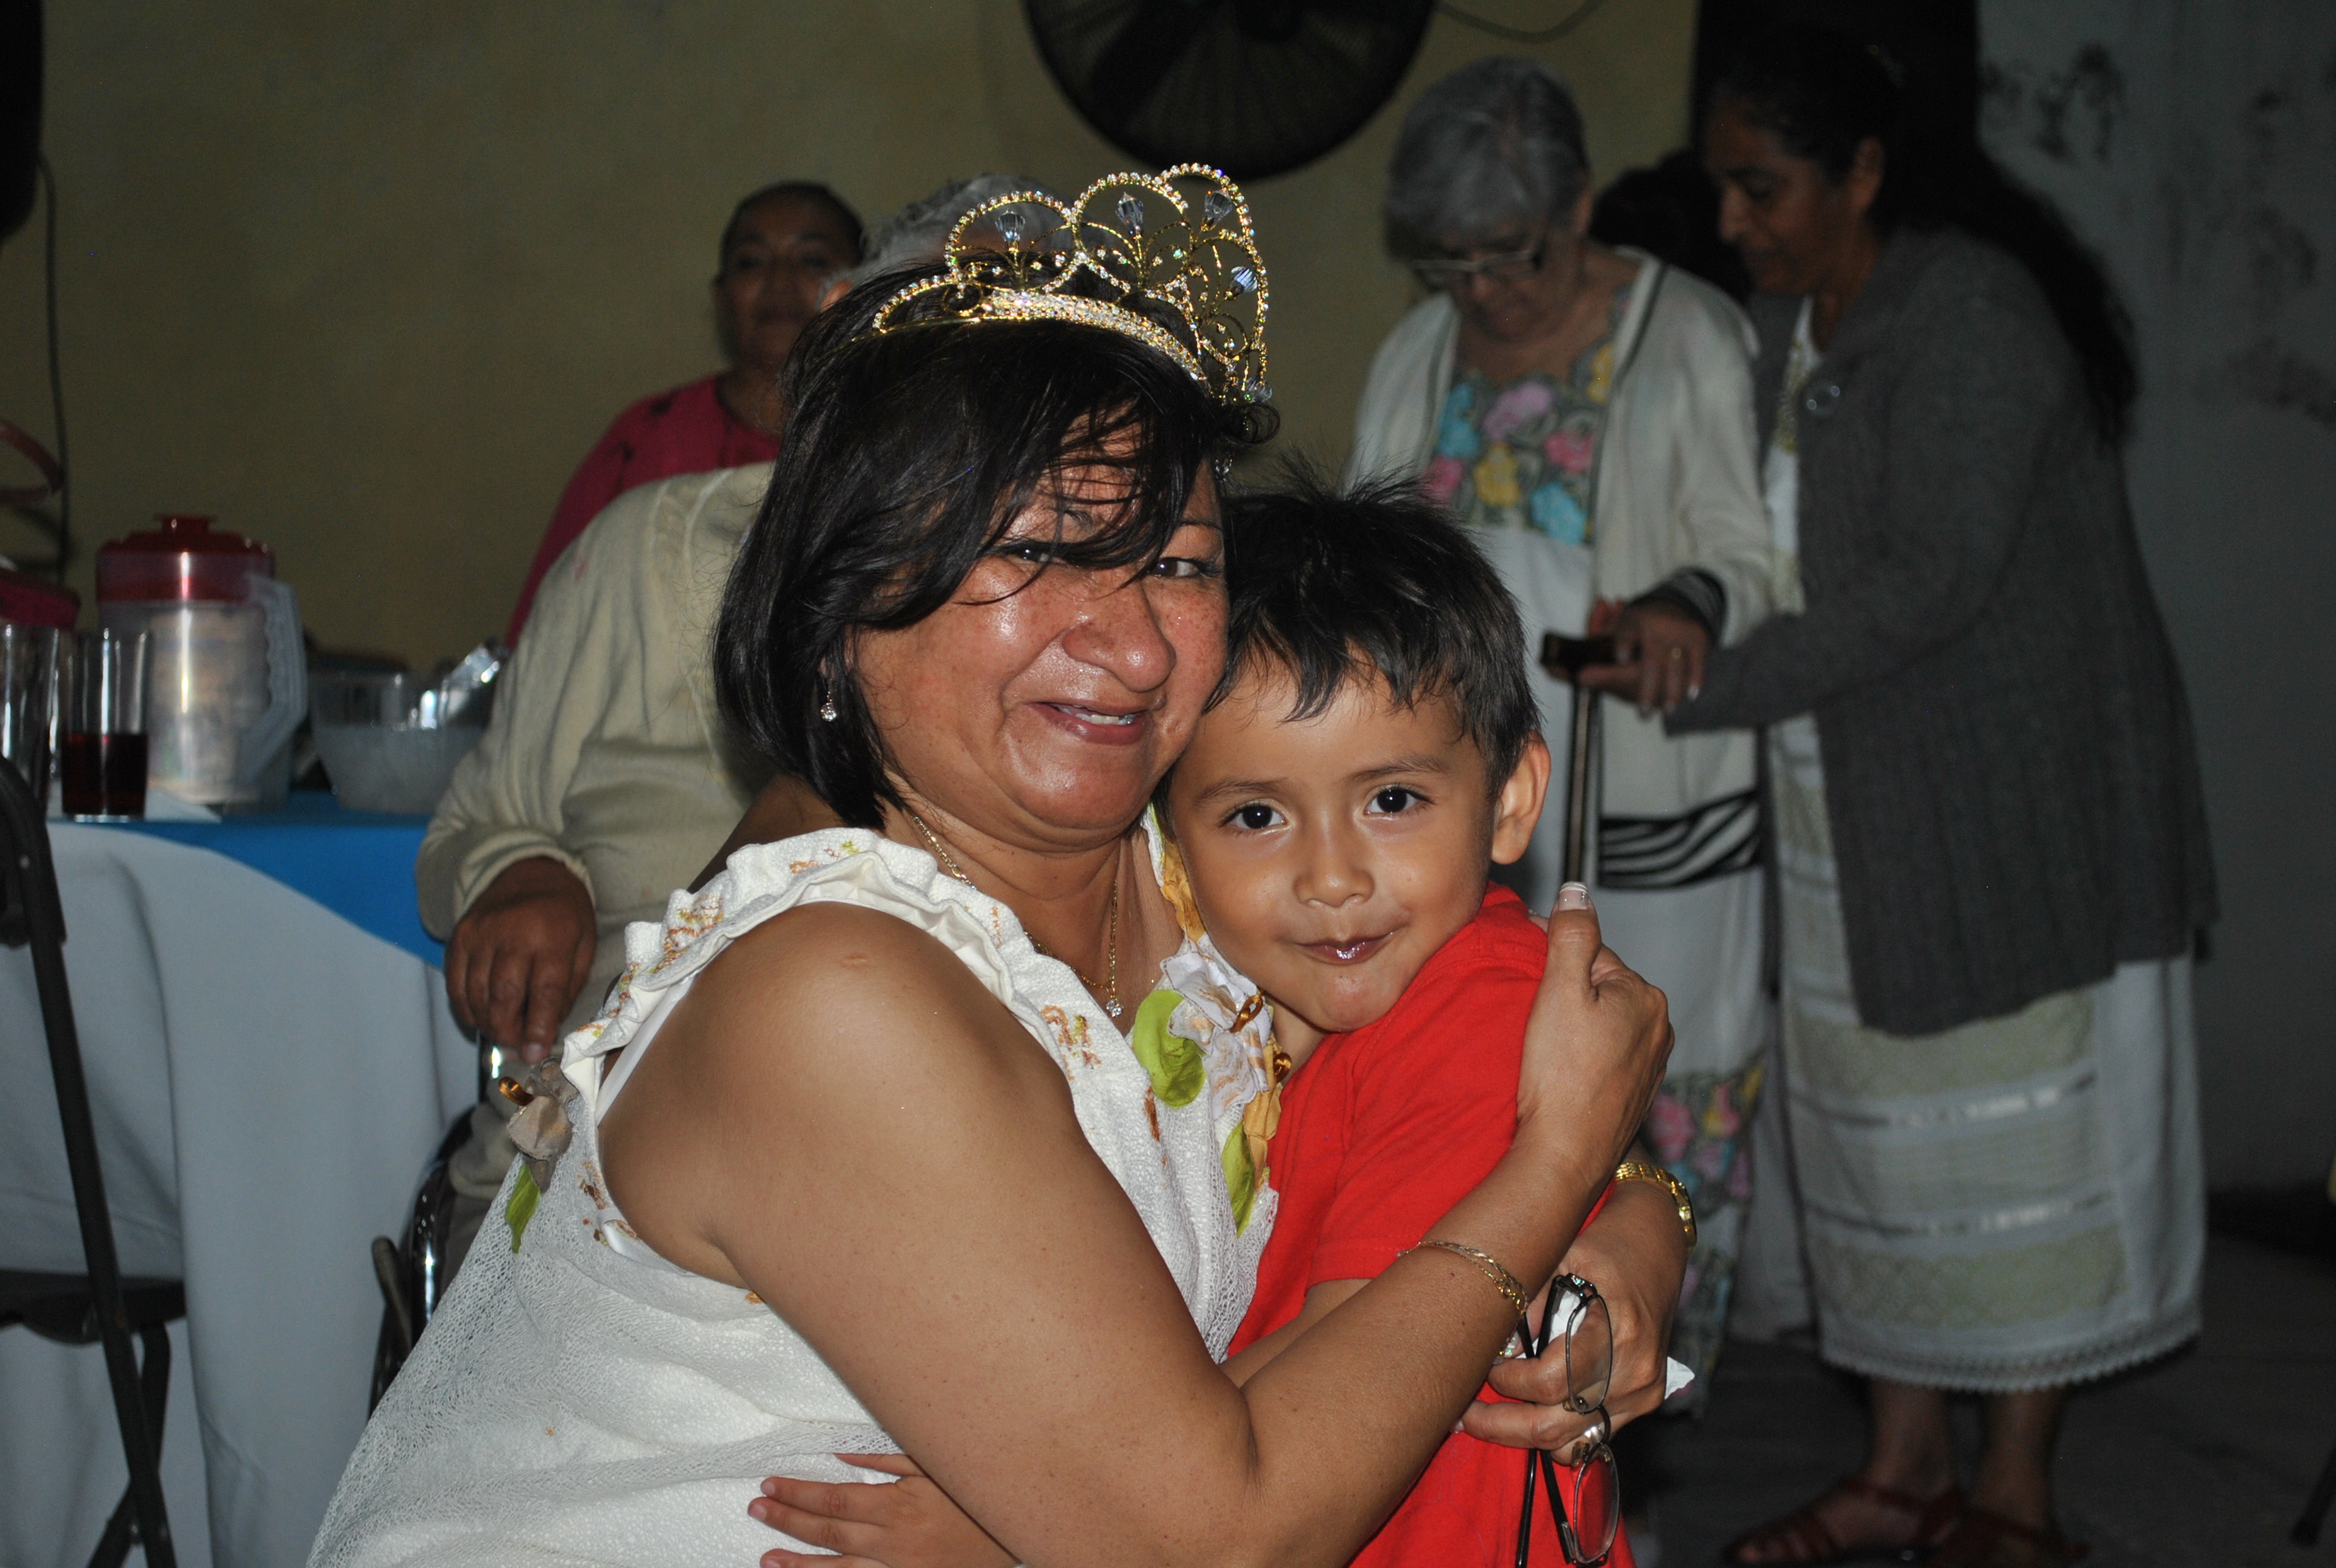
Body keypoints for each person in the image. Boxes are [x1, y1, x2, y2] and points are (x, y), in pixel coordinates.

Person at [312, 169, 1682, 1568]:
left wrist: (1639, 1222)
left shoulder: (1207, 859)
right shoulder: (833, 993)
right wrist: (1557, 1164)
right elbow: (1219, 1538)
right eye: (1034, 552)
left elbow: (1456, 1058)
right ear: (843, 599)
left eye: (1180, 565)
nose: (1132, 644)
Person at [753, 476, 1699, 1567]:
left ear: (1512, 799)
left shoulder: (1476, 1002)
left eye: (1393, 801)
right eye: (1256, 815)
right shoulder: (1256, 986)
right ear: (1169, 834)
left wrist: (1033, 1522)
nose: (1333, 878)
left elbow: (1346, 1342)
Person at [1666, 26, 2216, 1568]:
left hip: (2009, 808)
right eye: (1723, 187)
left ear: (1862, 172)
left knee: (2022, 1155)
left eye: (1761, 187)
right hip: (1851, 814)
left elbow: (1932, 580)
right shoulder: (1786, 324)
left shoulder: (1971, 313)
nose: (1732, 221)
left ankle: (2014, 1490)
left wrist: (1705, 682)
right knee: (1881, 1151)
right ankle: (1903, 1467)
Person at [415, 176, 1053, 1273]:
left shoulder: (1123, 617)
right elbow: (481, 817)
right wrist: (519, 869)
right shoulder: (649, 549)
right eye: (950, 337)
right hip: (628, 1151)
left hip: (982, 1175)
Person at [1347, 55, 1774, 1399]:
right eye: (1451, 262)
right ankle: (1473, 1379)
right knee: (1479, 1084)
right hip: (1462, 808)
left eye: (1511, 253)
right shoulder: (1417, 354)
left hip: (1653, 798)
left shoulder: (1686, 331)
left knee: (1665, 1097)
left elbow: (1750, 551)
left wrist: (1681, 603)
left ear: (1580, 206)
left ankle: (1638, 1387)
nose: (1481, 290)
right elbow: (1370, 552)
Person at [503, 181, 864, 644]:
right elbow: (552, 626)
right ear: (721, 298)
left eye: (811, 260)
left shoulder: (889, 439)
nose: (779, 282)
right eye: (751, 262)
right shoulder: (646, 437)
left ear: (863, 285)